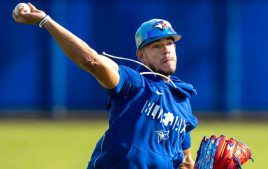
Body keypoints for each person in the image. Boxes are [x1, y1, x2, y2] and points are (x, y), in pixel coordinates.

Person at [13, 3, 198, 169]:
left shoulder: (183, 100)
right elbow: (92, 61)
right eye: (156, 46)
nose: (165, 49)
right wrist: (46, 21)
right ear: (141, 56)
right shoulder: (134, 84)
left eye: (169, 43)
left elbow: (184, 162)